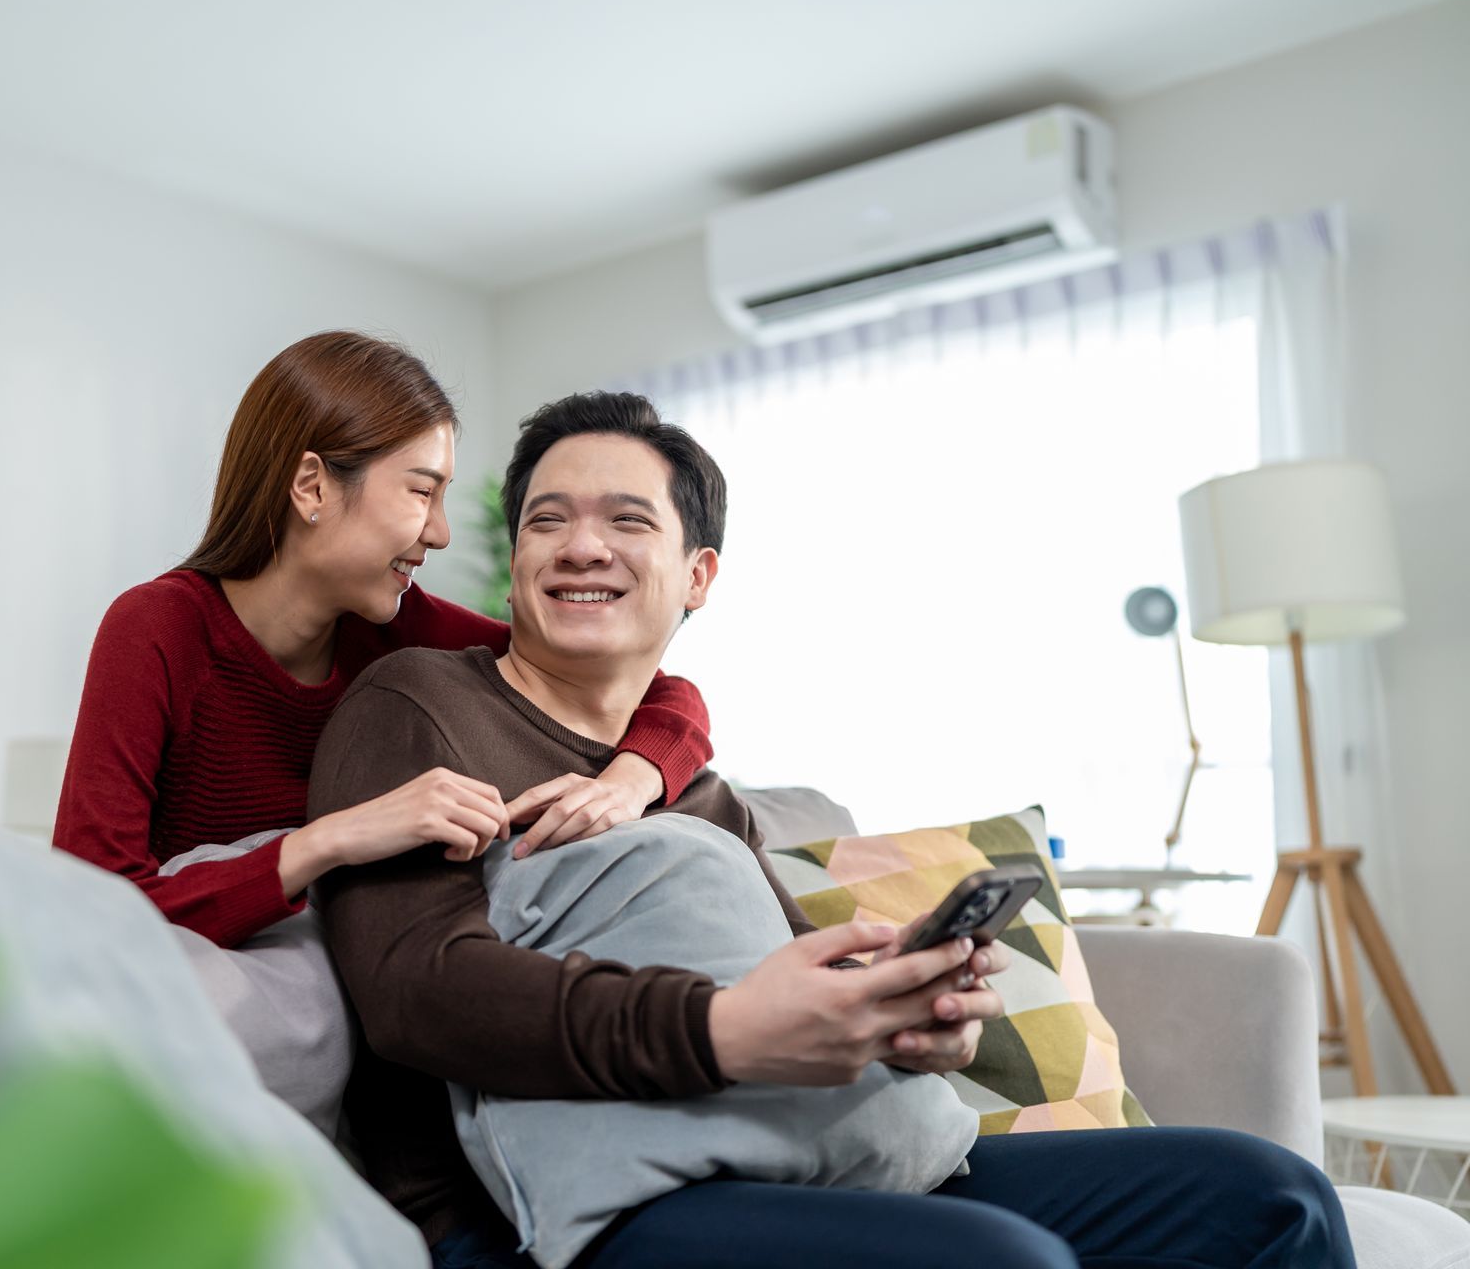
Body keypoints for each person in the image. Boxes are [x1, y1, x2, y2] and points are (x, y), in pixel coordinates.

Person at [309, 391, 1354, 1269]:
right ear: (515, 562)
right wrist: (720, 1028)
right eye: (548, 520)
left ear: (698, 576)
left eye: (628, 520)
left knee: (1273, 1196)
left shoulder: (696, 789)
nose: (583, 545)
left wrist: (913, 1023)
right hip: (553, 1215)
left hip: (796, 1152)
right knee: (1005, 1259)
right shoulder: (419, 704)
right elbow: (413, 990)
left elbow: (796, 978)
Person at [52, 332, 715, 950]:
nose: (441, 533)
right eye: (422, 492)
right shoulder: (158, 628)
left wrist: (633, 780)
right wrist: (327, 842)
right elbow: (87, 907)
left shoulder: (397, 625)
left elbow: (656, 691)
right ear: (312, 486)